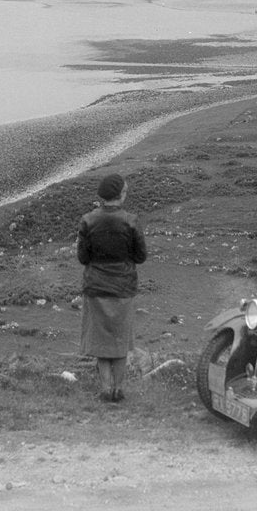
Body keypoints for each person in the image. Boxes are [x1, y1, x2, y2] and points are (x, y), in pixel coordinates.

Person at [76, 172, 147, 402]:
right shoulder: (131, 220)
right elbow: (140, 256)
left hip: (96, 287)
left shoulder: (87, 220)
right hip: (123, 288)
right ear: (120, 194)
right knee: (120, 341)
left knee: (100, 341)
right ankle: (119, 388)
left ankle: (105, 388)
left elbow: (83, 258)